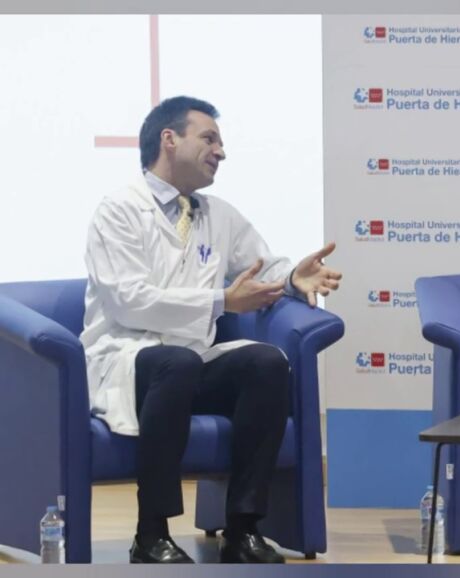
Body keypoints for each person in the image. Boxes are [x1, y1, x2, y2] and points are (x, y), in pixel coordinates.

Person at [82, 96, 341, 564]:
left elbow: (262, 266)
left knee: (265, 362)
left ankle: (243, 530)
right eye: (209, 138)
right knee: (176, 363)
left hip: (189, 363)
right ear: (169, 139)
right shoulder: (118, 210)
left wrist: (291, 278)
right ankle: (151, 534)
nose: (221, 151)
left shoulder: (217, 214)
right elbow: (129, 301)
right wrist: (221, 301)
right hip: (128, 359)